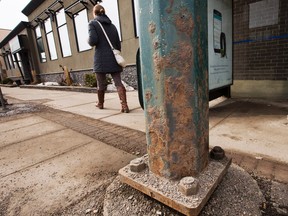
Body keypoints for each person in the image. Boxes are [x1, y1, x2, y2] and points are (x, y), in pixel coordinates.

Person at [87, 4, 129, 113]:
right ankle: (124, 106)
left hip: (100, 59)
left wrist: (88, 40)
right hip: (113, 59)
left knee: (101, 83)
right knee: (118, 82)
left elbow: (93, 41)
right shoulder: (113, 26)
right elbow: (118, 45)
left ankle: (100, 104)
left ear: (94, 13)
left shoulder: (93, 23)